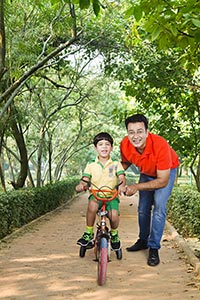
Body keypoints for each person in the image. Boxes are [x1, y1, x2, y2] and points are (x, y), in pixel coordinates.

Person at [120, 114, 179, 266]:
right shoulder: (125, 144)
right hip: (147, 171)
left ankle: (153, 248)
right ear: (127, 133)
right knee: (143, 208)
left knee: (159, 206)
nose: (135, 136)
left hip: (166, 172)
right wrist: (117, 176)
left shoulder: (160, 144)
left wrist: (135, 187)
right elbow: (124, 163)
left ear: (147, 132)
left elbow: (162, 181)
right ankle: (143, 240)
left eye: (140, 131)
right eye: (131, 132)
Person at [76, 132, 126, 250]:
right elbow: (85, 180)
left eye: (107, 144)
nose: (104, 147)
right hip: (96, 195)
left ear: (112, 148)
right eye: (100, 144)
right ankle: (88, 233)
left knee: (114, 216)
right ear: (95, 148)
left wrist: (122, 186)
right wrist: (81, 185)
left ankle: (114, 234)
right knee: (92, 207)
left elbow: (122, 177)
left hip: (111, 196)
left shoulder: (115, 164)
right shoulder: (91, 165)